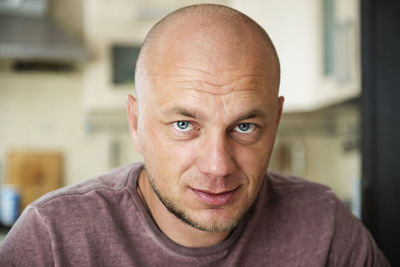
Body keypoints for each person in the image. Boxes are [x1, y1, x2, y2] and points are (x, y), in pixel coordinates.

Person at [0, 4, 390, 266]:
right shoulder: (53, 241)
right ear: (136, 123)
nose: (218, 166)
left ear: (276, 119)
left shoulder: (326, 231)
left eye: (245, 127)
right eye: (184, 125)